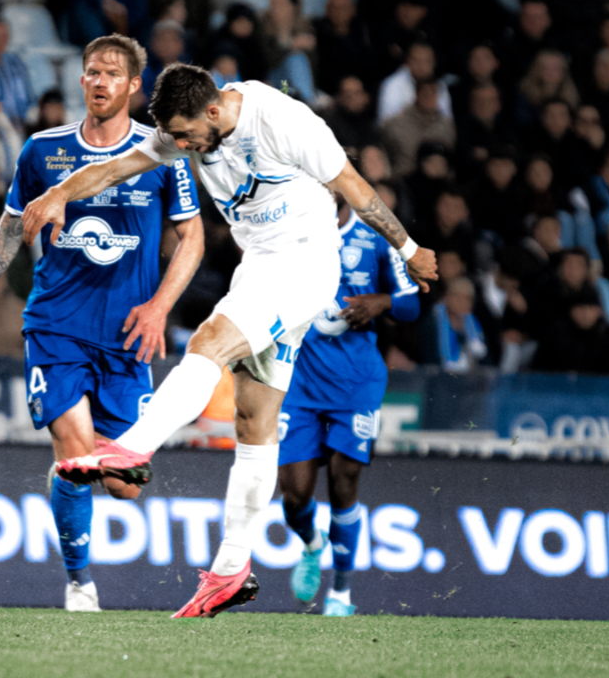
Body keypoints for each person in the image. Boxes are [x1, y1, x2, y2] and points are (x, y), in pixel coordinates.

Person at [33, 62, 437, 618]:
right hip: (261, 266)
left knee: (208, 343)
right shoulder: (186, 126)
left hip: (303, 263)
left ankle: (132, 449)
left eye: (186, 135)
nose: (181, 147)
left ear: (214, 109)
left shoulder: (282, 120)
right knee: (254, 420)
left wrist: (409, 249)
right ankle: (230, 568)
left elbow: (356, 189)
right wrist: (59, 192)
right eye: (174, 138)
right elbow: (117, 168)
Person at [0, 35, 204, 613]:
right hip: (57, 324)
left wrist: (160, 306)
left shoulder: (162, 153)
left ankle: (71, 481)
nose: (99, 81)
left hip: (127, 334)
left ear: (134, 86)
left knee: (123, 483)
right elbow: (10, 226)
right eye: (92, 71)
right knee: (75, 453)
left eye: (112, 73)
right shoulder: (44, 150)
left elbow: (191, 237)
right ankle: (80, 583)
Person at [279, 191, 420, 617]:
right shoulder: (289, 230)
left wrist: (382, 302)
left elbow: (411, 303)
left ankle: (340, 592)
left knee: (344, 481)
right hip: (300, 381)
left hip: (356, 382)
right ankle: (311, 544)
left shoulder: (375, 236)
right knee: (294, 496)